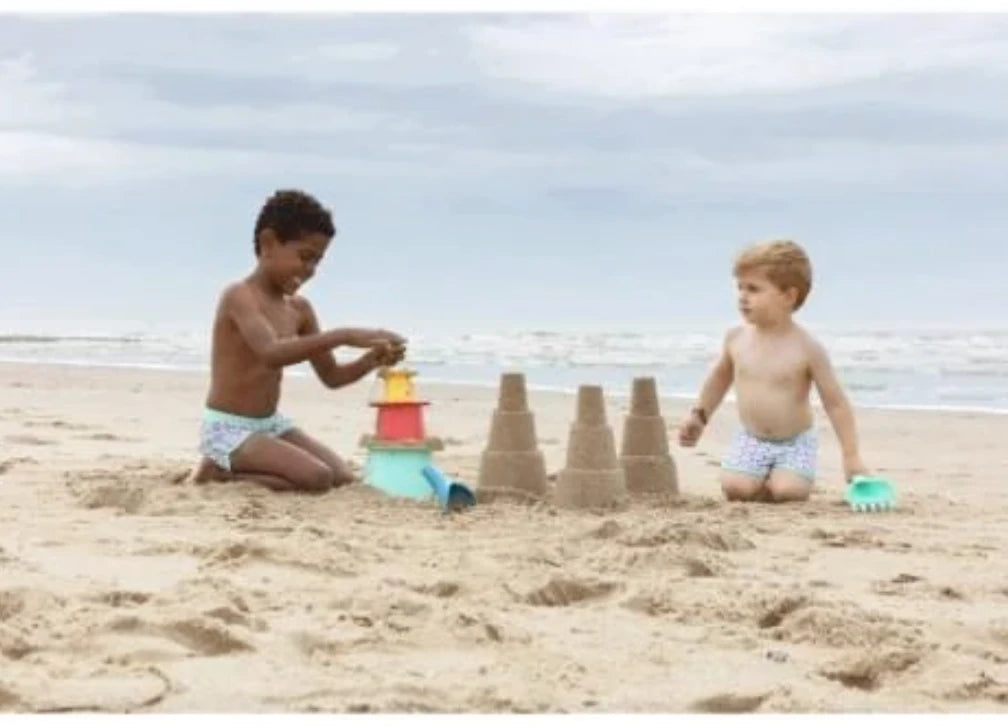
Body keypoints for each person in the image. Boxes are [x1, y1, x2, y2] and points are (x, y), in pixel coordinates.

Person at [190, 189, 406, 492]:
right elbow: (271, 353)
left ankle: (233, 469)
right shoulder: (239, 296)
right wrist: (343, 335)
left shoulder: (299, 309)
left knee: (340, 477)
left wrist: (373, 359)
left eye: (317, 261)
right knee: (316, 478)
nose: (310, 270)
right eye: (304, 256)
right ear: (268, 243)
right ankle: (217, 471)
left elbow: (332, 377)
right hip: (229, 429)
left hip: (270, 424)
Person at [677, 239, 868, 502]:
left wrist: (851, 456)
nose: (743, 297)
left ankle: (784, 476)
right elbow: (719, 380)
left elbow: (835, 403)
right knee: (735, 489)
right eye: (740, 288)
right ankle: (758, 476)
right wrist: (699, 416)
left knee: (788, 492)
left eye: (754, 289)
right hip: (751, 438)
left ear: (789, 296)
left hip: (794, 442)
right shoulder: (736, 338)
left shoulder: (807, 347)